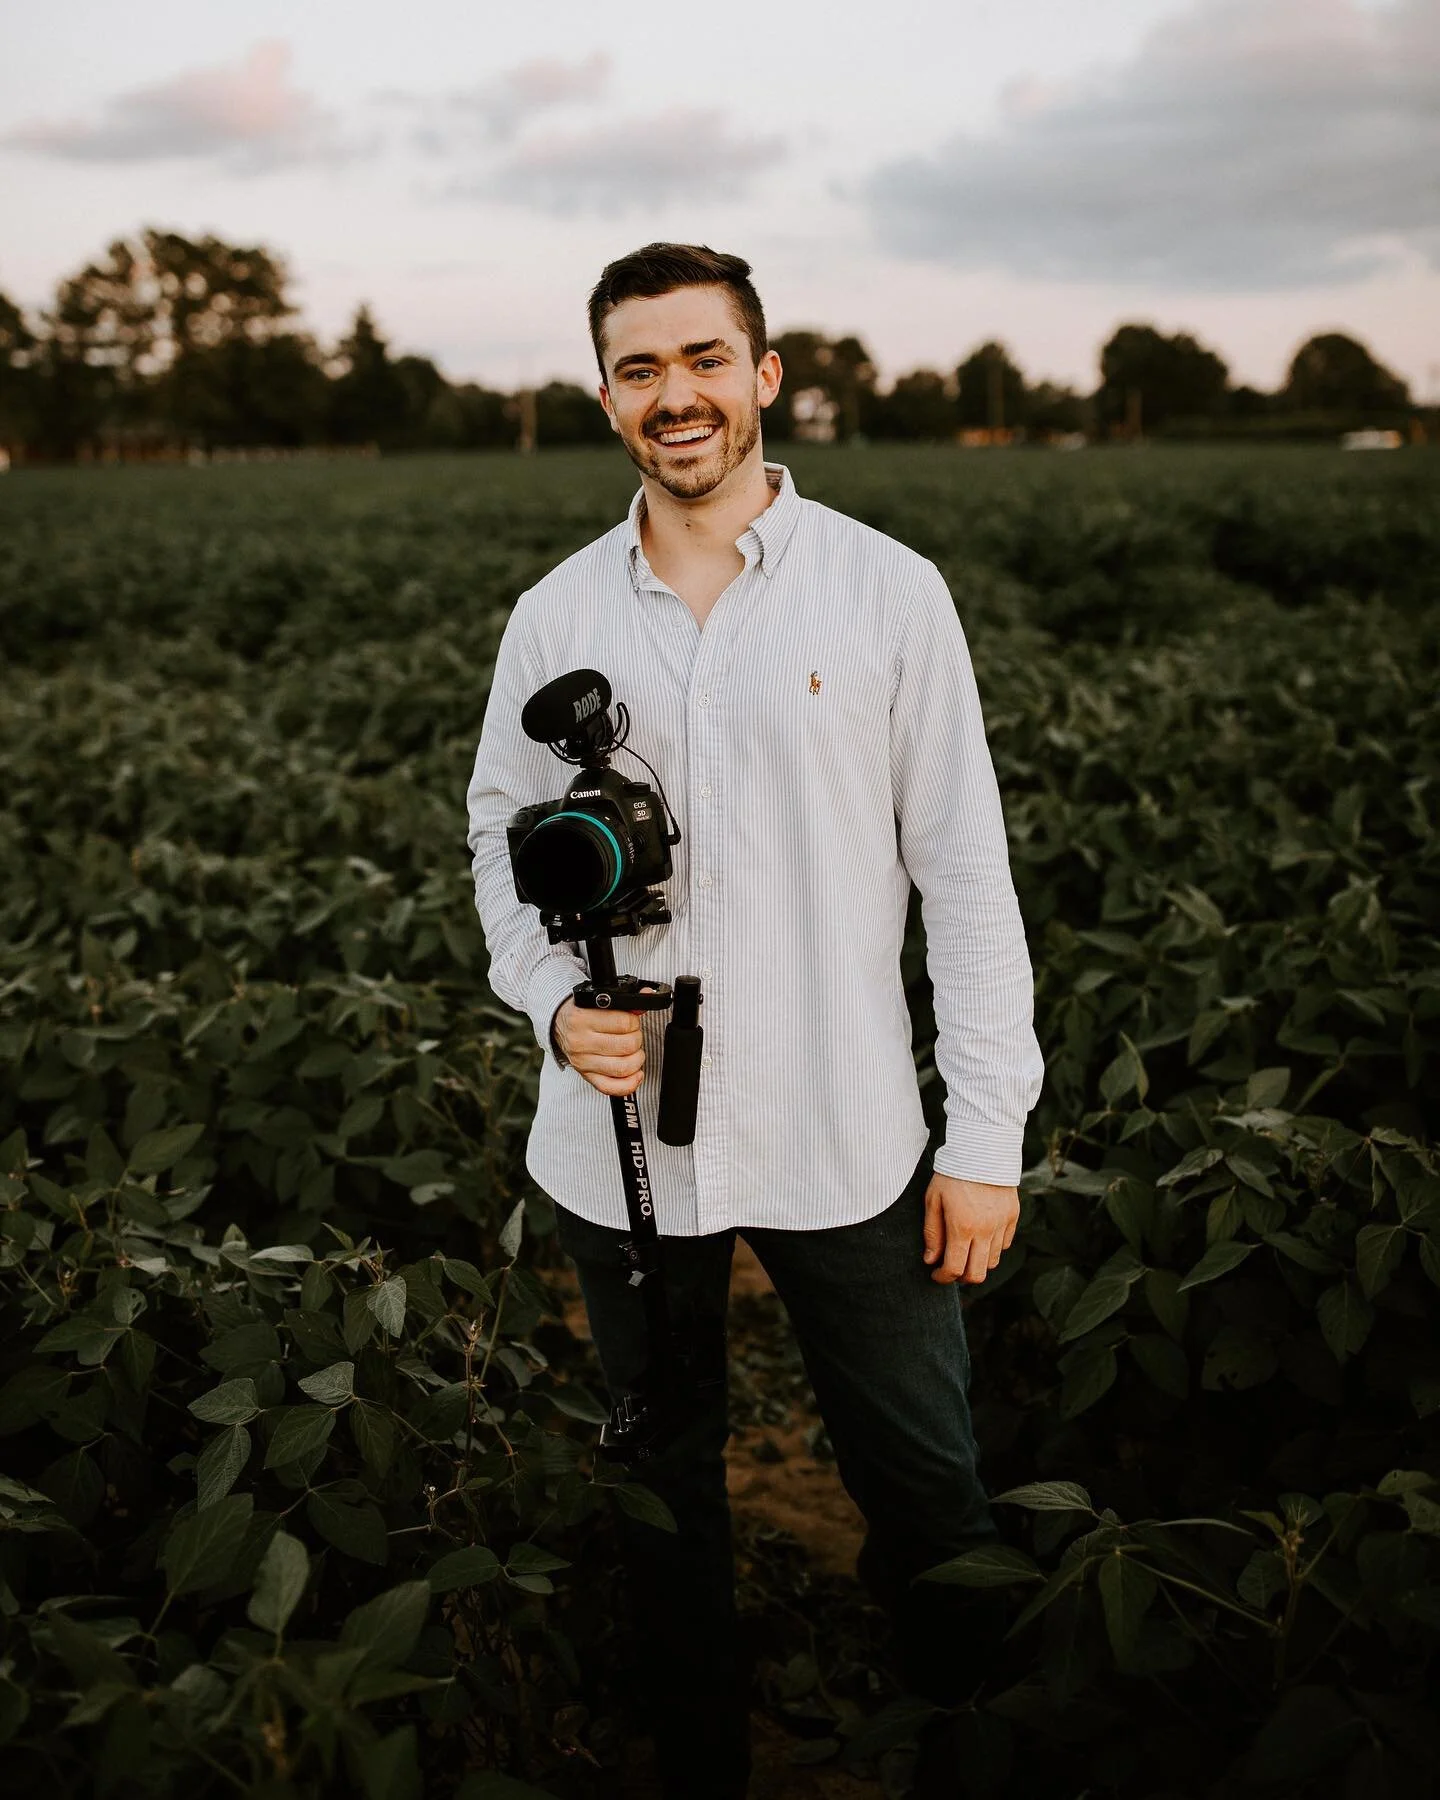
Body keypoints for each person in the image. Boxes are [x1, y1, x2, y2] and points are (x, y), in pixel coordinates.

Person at [466, 243, 1045, 1800]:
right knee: (664, 1493)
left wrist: (983, 1138)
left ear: (766, 377)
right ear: (606, 396)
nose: (678, 396)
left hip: (845, 1127)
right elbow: (494, 838)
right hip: (620, 1152)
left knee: (930, 1497)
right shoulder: (554, 614)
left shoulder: (886, 593)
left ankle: (967, 1746)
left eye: (705, 360)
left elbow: (968, 881)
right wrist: (547, 1007)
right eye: (641, 369)